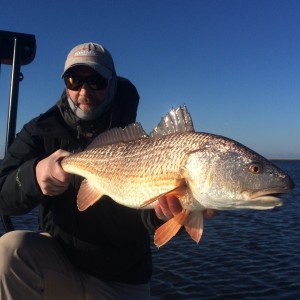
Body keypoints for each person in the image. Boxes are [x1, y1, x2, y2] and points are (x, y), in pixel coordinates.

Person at [0, 42, 214, 300]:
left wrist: (168, 214)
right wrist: (32, 176)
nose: (84, 90)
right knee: (9, 250)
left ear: (112, 81)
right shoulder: (39, 131)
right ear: (64, 83)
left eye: (96, 81)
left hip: (121, 276)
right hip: (59, 263)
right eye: (74, 79)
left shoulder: (141, 142)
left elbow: (146, 217)